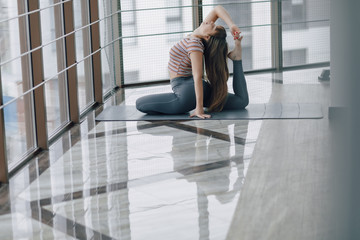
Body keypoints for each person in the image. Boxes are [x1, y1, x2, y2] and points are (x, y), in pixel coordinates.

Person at [136, 5, 249, 119]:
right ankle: (236, 59)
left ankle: (236, 57)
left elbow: (197, 76)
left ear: (207, 37)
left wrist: (199, 108)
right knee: (241, 101)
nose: (210, 22)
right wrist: (232, 25)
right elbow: (217, 10)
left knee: (140, 104)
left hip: (186, 93)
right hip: (194, 89)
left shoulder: (194, 44)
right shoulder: (198, 35)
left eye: (213, 26)